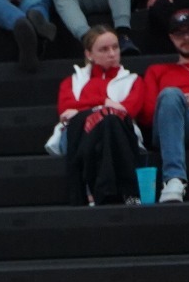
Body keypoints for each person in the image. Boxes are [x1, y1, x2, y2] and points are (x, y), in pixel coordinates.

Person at [52, 26, 146, 206]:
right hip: (76, 136)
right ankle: (123, 193)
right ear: (89, 54)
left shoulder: (134, 80)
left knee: (109, 124)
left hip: (119, 137)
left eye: (115, 47)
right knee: (104, 122)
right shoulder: (71, 81)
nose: (112, 53)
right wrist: (106, 103)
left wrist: (87, 110)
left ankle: (92, 190)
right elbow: (65, 110)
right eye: (104, 49)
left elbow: (128, 111)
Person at [144, 9, 189, 202]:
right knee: (171, 94)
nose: (186, 38)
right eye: (179, 34)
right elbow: (148, 116)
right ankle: (174, 179)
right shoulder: (157, 71)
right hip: (173, 124)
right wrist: (180, 100)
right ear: (172, 38)